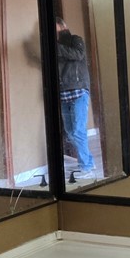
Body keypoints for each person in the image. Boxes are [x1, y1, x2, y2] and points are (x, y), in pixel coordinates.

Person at [55, 16, 95, 178]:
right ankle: (87, 162)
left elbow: (78, 55)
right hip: (63, 92)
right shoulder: (55, 47)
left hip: (79, 90)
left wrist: (56, 46)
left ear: (62, 26)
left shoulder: (75, 40)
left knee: (78, 130)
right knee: (70, 131)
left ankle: (86, 166)